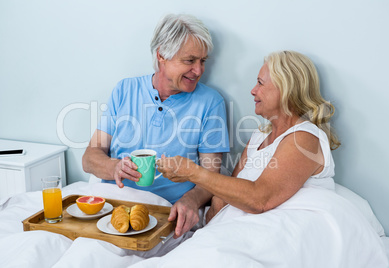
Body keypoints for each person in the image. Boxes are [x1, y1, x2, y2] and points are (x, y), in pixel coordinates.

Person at [82, 14, 230, 238]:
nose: (199, 70)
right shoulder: (125, 90)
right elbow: (90, 157)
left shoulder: (211, 103)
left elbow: (211, 178)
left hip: (166, 213)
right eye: (190, 61)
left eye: (203, 61)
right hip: (112, 207)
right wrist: (114, 168)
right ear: (162, 55)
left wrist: (190, 201)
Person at [157, 50, 341, 223]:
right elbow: (227, 191)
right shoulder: (260, 136)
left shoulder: (305, 138)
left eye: (260, 83)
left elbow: (260, 199)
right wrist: (212, 221)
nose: (253, 90)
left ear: (286, 91)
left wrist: (192, 172)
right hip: (234, 225)